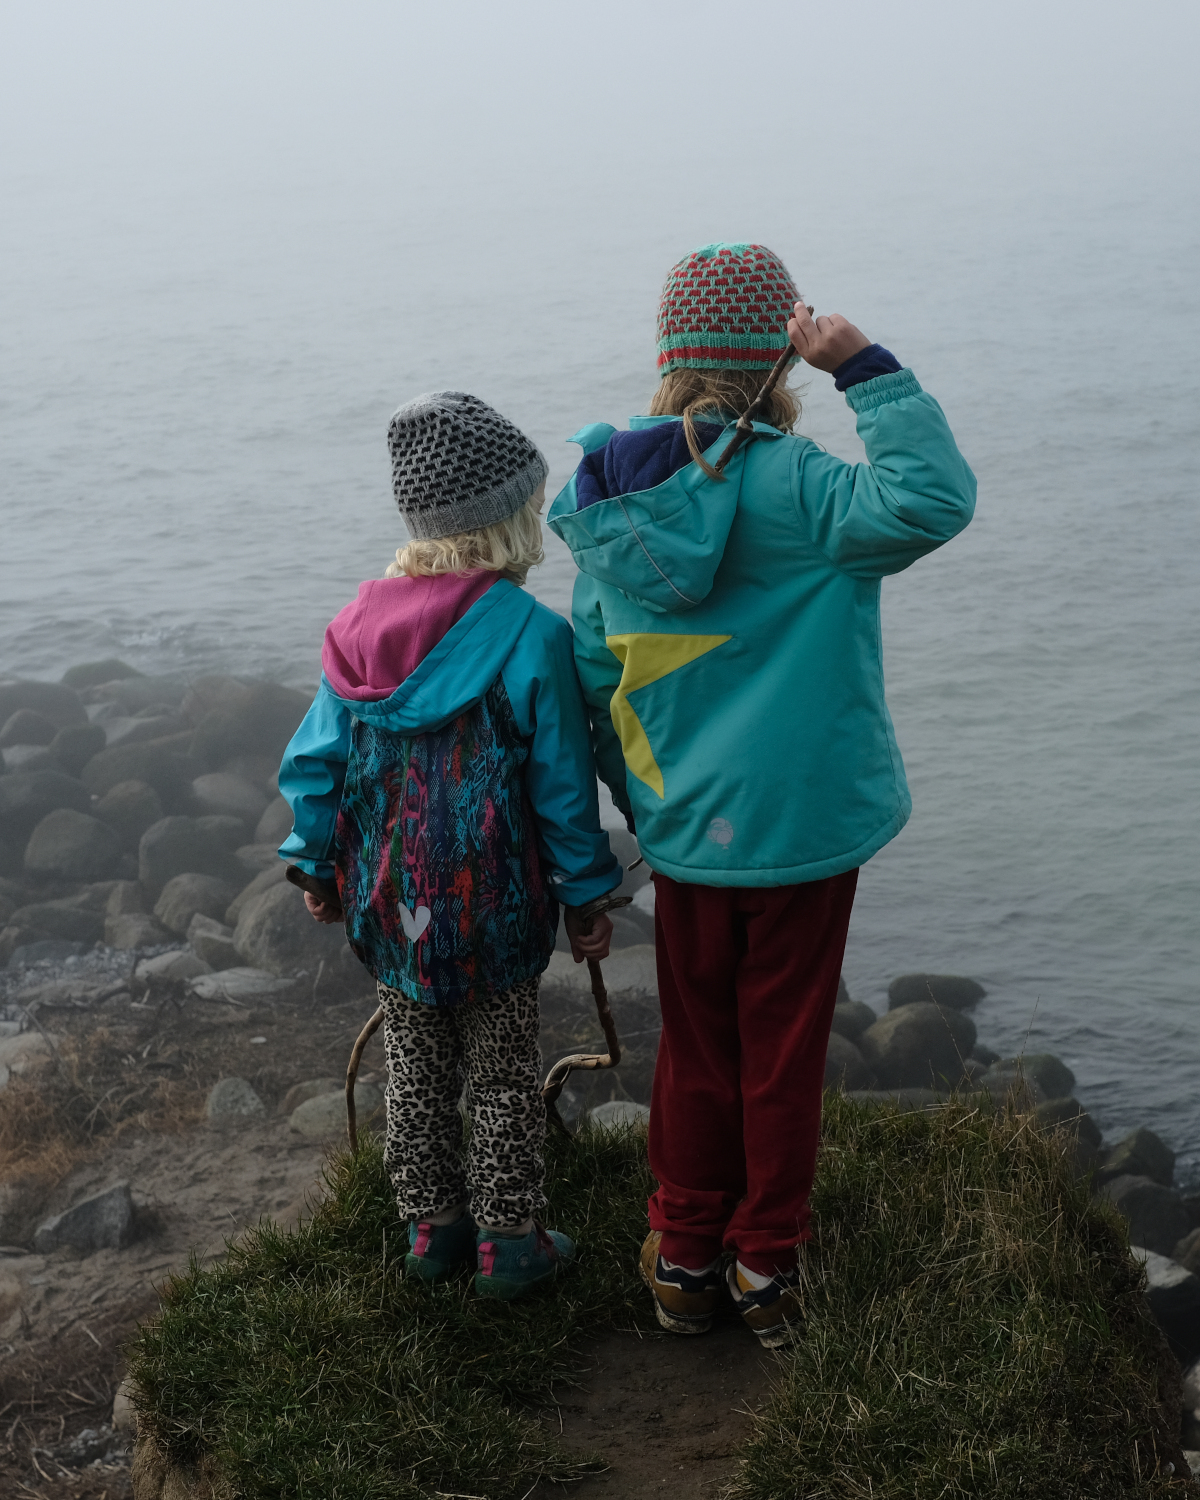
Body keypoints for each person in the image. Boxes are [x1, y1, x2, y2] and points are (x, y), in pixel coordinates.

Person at [547, 242, 977, 1346]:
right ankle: (766, 1267)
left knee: (698, 1048)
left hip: (689, 834)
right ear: (778, 350)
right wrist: (866, 367)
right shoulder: (804, 484)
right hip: (804, 834)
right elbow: (932, 499)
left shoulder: (619, 500)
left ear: (668, 355)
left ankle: (686, 1255)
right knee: (780, 1048)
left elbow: (598, 681)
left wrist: (645, 805)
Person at [278, 390, 623, 1300]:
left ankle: (431, 1232)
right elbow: (562, 792)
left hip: (390, 906)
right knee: (504, 1074)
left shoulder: (354, 634)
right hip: (497, 909)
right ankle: (511, 1246)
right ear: (509, 519)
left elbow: (316, 762)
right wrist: (588, 897)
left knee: (415, 1064)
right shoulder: (534, 635)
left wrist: (314, 865)